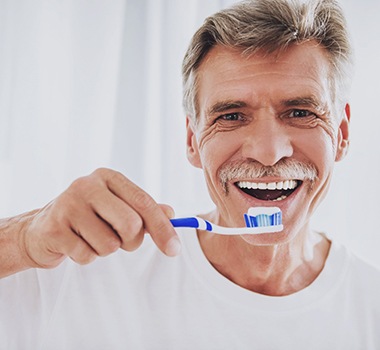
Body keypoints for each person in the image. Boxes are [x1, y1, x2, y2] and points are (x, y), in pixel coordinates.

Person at [1, 0, 380, 349]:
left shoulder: (371, 311)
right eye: (231, 116)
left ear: (342, 134)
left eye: (300, 112)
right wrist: (21, 240)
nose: (267, 151)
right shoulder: (79, 268)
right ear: (193, 140)